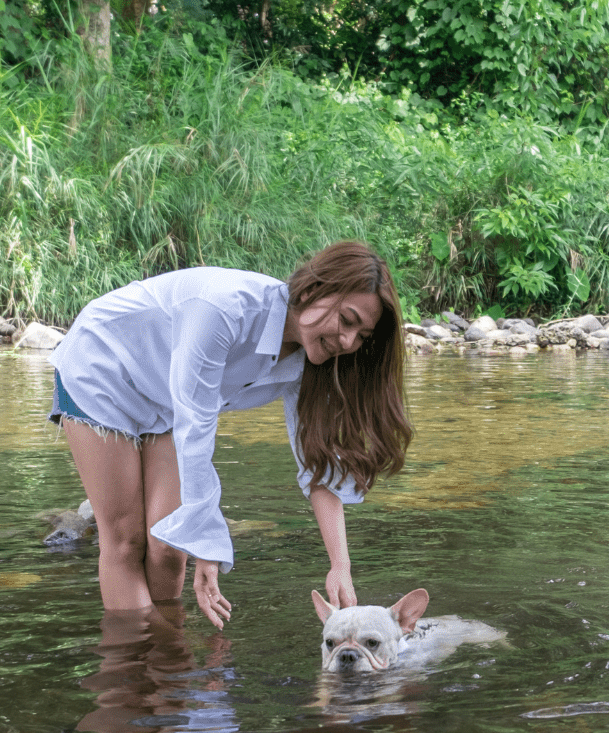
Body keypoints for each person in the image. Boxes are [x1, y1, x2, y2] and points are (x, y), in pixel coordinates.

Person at [48, 241, 412, 629]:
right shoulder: (224, 310)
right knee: (125, 538)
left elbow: (317, 463)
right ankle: (133, 672)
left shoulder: (311, 359)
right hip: (103, 366)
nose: (348, 342)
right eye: (347, 319)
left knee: (170, 549)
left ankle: (167, 673)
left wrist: (340, 566)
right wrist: (209, 547)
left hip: (164, 398)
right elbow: (196, 428)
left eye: (362, 335)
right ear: (311, 292)